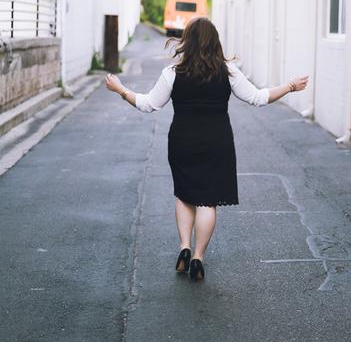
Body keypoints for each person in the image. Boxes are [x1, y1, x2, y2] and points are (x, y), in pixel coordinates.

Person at [105, 18, 308, 281]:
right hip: (217, 142)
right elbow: (258, 98)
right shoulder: (228, 72)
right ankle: (199, 257)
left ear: (187, 42)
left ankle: (184, 247)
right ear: (215, 42)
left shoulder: (172, 73)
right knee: (207, 200)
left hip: (182, 141)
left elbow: (148, 104)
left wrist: (120, 90)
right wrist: (291, 86)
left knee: (184, 195)